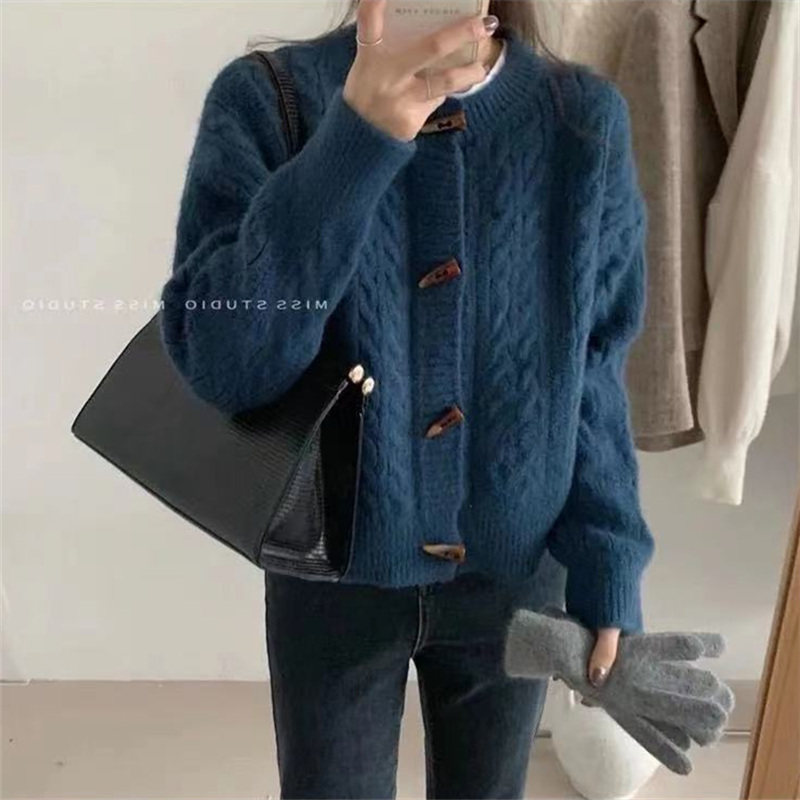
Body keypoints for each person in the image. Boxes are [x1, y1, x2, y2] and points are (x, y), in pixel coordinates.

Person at [159, 1, 655, 796]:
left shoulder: (581, 120)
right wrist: (356, 139)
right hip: (333, 573)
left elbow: (594, 368)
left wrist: (609, 563)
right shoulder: (266, 98)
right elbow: (225, 365)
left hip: (518, 579)